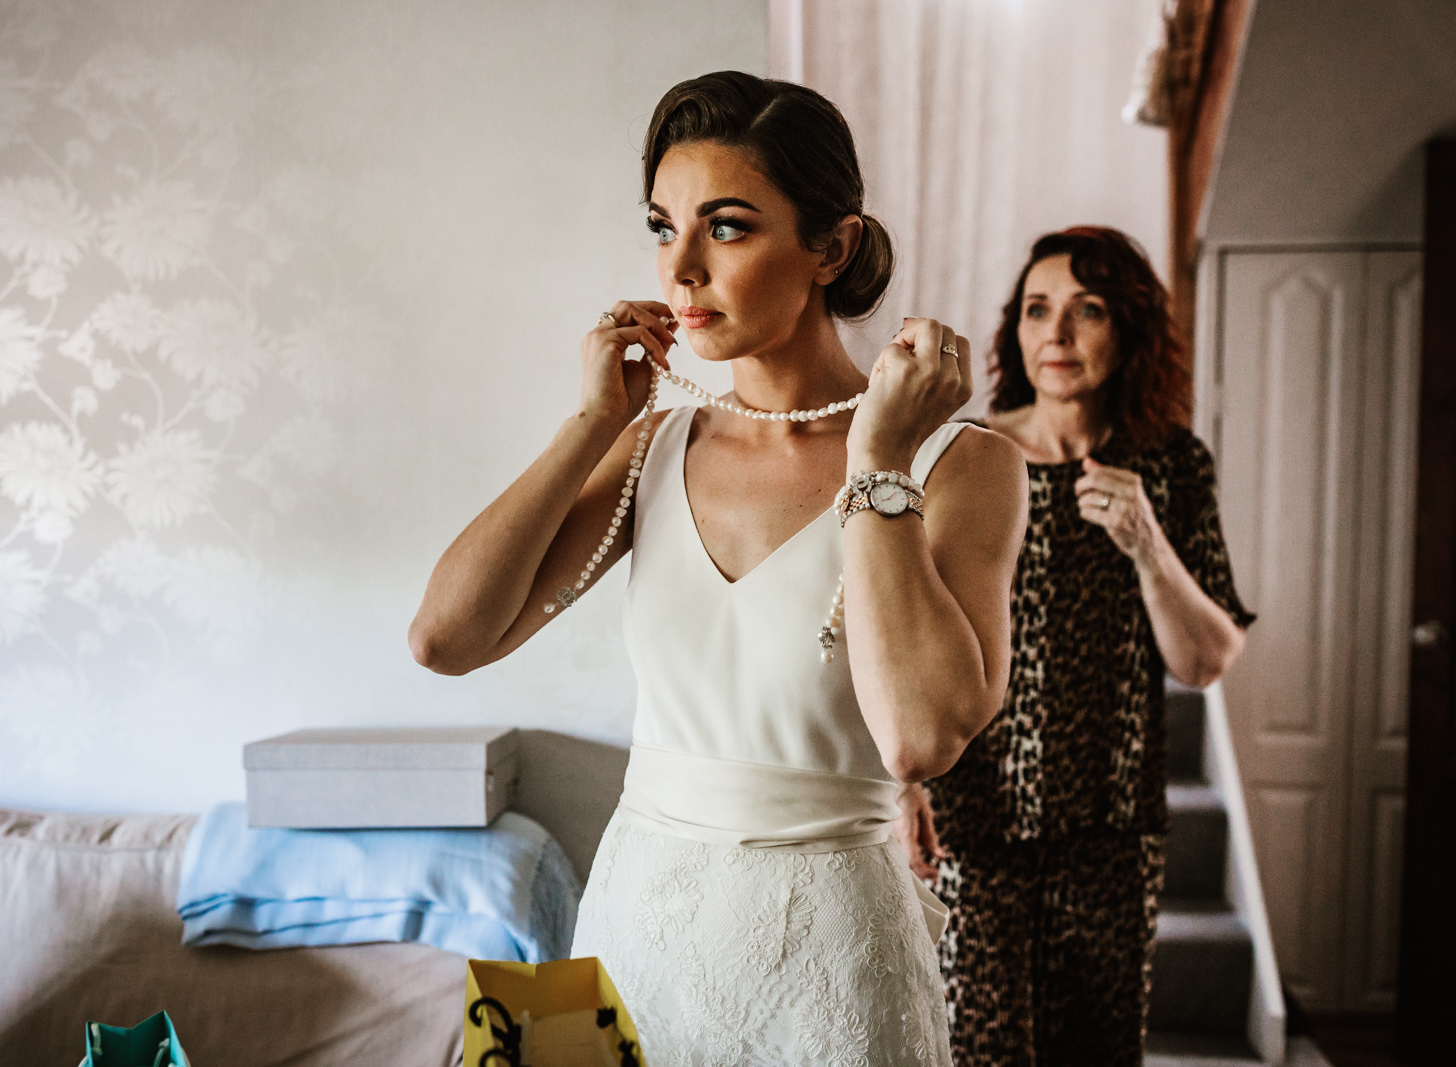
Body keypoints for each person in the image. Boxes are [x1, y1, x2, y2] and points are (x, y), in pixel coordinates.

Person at [409, 71, 1027, 1064]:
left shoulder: (964, 465)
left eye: (726, 227)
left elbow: (919, 740)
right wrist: (591, 423)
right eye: (662, 227)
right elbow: (443, 638)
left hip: (833, 958)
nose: (679, 269)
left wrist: (875, 462)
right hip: (633, 928)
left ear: (832, 246)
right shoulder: (648, 445)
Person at [894, 226, 1255, 1067]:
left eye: (1086, 311)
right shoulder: (965, 457)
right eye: (1037, 310)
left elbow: (1203, 661)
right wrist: (902, 777)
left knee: (1097, 1052)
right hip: (971, 823)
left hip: (1112, 830)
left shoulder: (1172, 466)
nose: (1056, 334)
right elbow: (903, 626)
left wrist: (1148, 545)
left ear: (1126, 329)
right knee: (984, 1053)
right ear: (1015, 332)